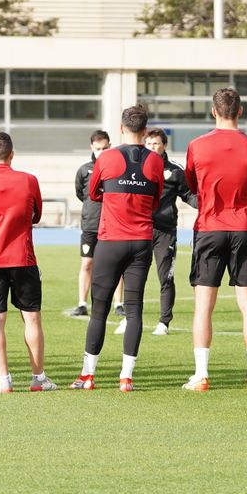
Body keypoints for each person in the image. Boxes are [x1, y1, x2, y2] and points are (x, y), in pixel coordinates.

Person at [72, 106, 164, 392]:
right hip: (141, 242)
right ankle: (126, 378)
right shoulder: (155, 161)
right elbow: (157, 198)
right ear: (146, 131)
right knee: (135, 310)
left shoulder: (108, 157)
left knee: (99, 310)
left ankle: (88, 376)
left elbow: (94, 193)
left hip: (111, 241)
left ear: (121, 128)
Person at [183, 87, 247, 391]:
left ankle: (201, 374)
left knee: (204, 306)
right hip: (243, 227)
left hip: (209, 227)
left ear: (213, 111)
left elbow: (191, 184)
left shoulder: (197, 145)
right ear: (240, 111)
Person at [0, 131, 55, 393]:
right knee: (32, 319)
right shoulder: (29, 181)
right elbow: (36, 215)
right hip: (23, 257)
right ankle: (38, 378)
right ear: (12, 155)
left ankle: (4, 380)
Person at [143, 128, 196, 337]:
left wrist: (204, 204)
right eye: (148, 144)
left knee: (165, 277)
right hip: (141, 229)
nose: (152, 148)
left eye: (156, 143)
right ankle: (131, 318)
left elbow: (189, 195)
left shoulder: (175, 170)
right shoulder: (138, 167)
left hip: (165, 231)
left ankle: (164, 322)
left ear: (164, 145)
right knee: (135, 276)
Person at [69, 129, 112, 316]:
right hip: (90, 225)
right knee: (87, 263)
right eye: (97, 149)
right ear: (91, 147)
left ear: (109, 146)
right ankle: (82, 303)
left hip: (111, 224)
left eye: (104, 148)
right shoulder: (84, 170)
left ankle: (119, 304)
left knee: (114, 265)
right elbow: (81, 193)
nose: (101, 152)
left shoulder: (115, 167)